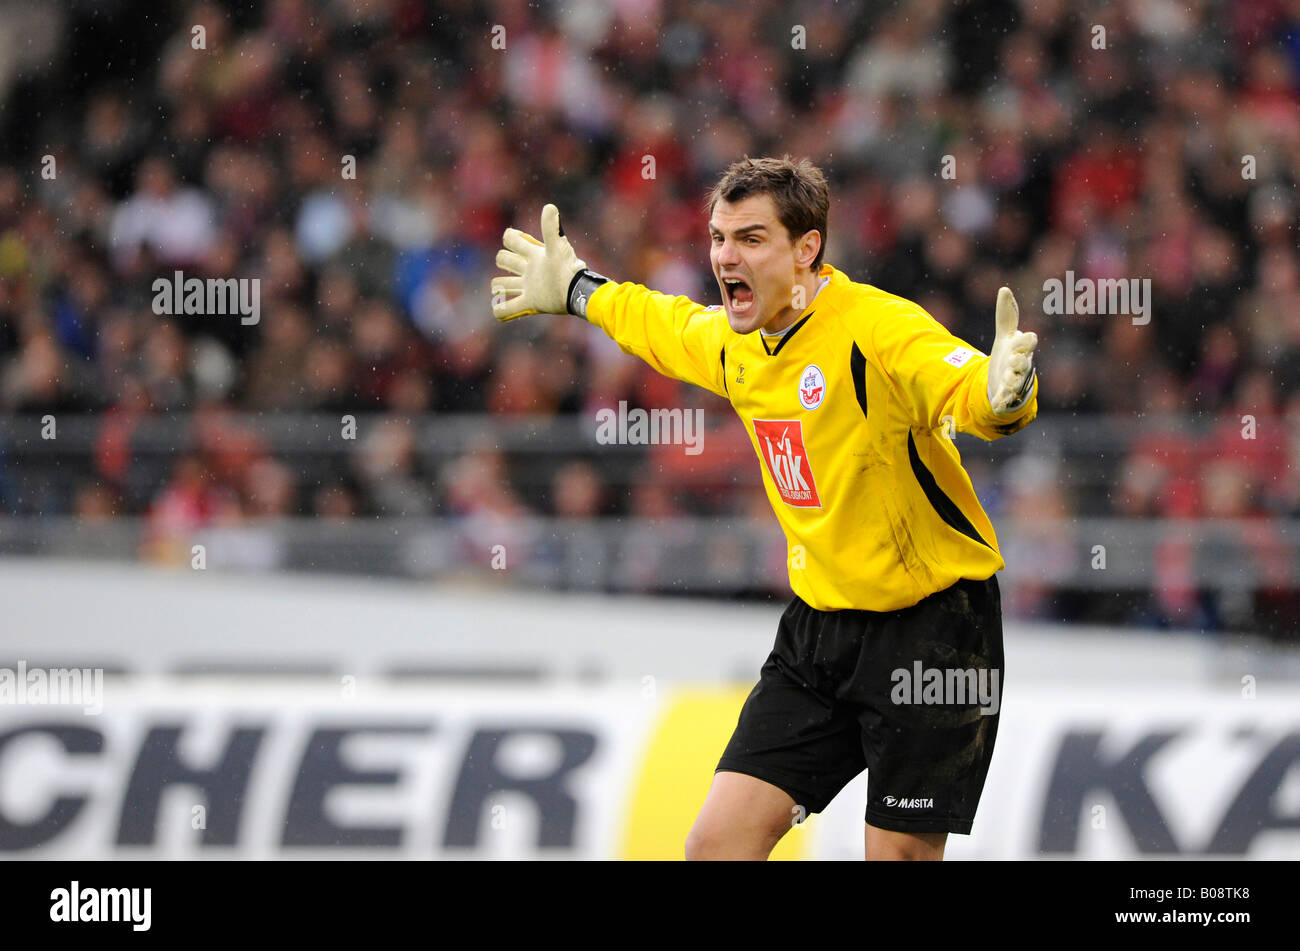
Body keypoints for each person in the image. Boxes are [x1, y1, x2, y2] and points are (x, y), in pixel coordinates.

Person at [490, 155, 1039, 860]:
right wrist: (576, 289)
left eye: (750, 238)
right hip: (820, 631)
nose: (725, 256)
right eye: (718, 237)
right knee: (717, 845)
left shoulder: (875, 327)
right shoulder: (738, 344)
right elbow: (664, 324)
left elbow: (967, 387)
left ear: (806, 248)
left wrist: (1004, 396)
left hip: (934, 626)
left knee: (898, 856)